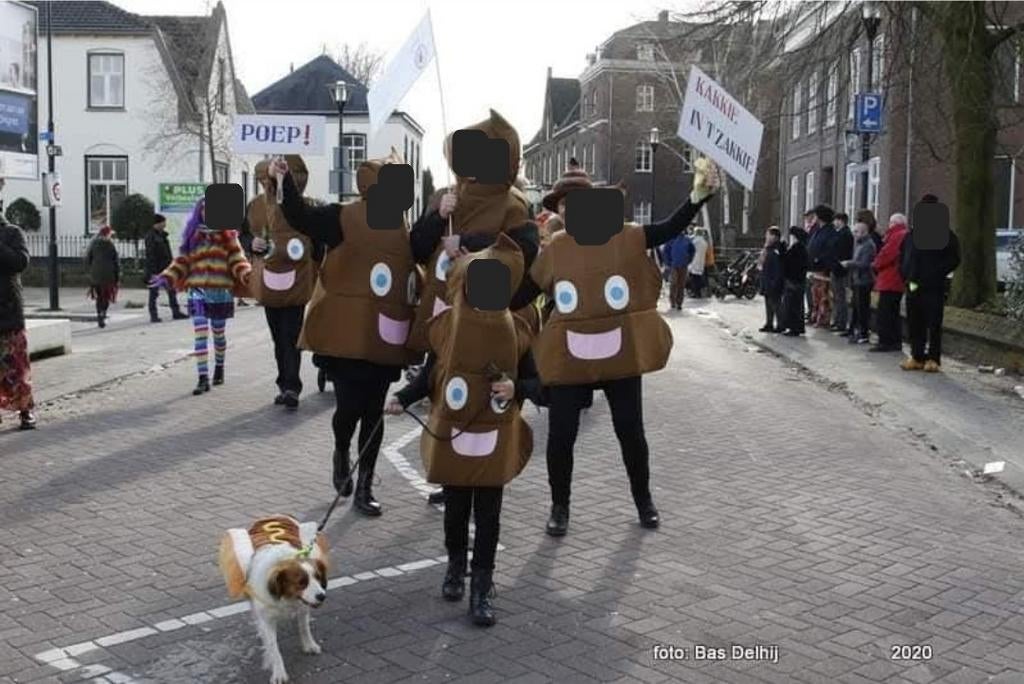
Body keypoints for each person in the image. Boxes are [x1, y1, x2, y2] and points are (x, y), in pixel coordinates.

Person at [516, 157, 718, 536]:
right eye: (561, 202)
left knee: (630, 430)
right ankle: (560, 506)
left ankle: (644, 500)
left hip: (619, 351)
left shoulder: (624, 235)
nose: (566, 207)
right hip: (569, 353)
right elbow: (524, 291)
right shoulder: (555, 248)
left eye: (574, 200)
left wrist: (697, 197)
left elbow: (666, 229)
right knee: (561, 435)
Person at [386, 236, 540, 627]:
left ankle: (482, 586)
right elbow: (430, 374)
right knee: (455, 509)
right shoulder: (447, 327)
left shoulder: (519, 332)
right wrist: (403, 398)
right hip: (454, 433)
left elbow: (544, 386)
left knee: (488, 513)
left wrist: (517, 388)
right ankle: (456, 565)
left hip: (495, 434)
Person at [273, 151, 419, 516]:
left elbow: (424, 250)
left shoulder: (403, 226)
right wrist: (285, 181)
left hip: (384, 334)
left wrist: (444, 215)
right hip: (346, 335)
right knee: (349, 409)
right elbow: (300, 216)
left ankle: (365, 484)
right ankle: (341, 452)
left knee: (374, 412)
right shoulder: (342, 217)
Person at [152, 198, 251, 395]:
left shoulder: (229, 237)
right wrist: (167, 276)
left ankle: (220, 367)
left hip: (220, 292)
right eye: (205, 210)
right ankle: (202, 378)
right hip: (197, 291)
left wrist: (247, 274)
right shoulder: (193, 237)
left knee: (218, 335)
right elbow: (181, 261)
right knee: (200, 335)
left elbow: (238, 260)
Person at [248, 156, 318, 411]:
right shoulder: (257, 206)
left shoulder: (305, 206)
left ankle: (292, 387)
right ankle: (284, 383)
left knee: (290, 336)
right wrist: (251, 245)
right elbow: (245, 233)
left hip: (296, 282)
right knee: (278, 337)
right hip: (270, 282)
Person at [899, 194, 961, 372]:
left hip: (933, 286)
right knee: (914, 321)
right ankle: (917, 355)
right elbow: (903, 256)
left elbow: (954, 258)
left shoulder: (946, 235)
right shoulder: (911, 235)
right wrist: (905, 275)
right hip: (913, 284)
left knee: (933, 323)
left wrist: (936, 274)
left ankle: (934, 358)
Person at [0, 204, 36, 430]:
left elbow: (21, 262)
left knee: (17, 366)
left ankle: (26, 410)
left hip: (8, 309)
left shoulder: (12, 233)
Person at [871, 213, 909, 352]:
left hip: (891, 278)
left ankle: (886, 341)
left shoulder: (897, 235)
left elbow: (887, 253)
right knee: (892, 311)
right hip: (896, 279)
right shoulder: (904, 234)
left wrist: (875, 264)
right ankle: (894, 340)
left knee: (885, 311)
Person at [145, 214, 186, 323]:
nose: (165, 224)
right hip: (156, 270)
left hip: (167, 268)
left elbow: (167, 252)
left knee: (172, 291)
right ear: (157, 223)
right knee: (153, 293)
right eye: (163, 222)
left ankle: (176, 312)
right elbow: (150, 255)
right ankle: (153, 315)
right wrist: (153, 271)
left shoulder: (163, 236)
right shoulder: (151, 237)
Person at [842, 221, 876, 344]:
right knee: (856, 307)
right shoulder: (859, 244)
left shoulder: (868, 245)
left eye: (856, 232)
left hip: (864, 280)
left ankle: (863, 333)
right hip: (857, 279)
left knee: (862, 308)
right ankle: (855, 330)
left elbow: (865, 264)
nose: (854, 234)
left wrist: (849, 263)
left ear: (864, 232)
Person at [806, 205, 837, 328]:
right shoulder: (819, 229)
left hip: (822, 268)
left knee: (823, 294)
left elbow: (829, 249)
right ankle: (815, 315)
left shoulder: (829, 231)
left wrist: (819, 258)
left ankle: (823, 318)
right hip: (815, 267)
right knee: (815, 293)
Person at [85, 226, 119, 329]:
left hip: (96, 276)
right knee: (107, 297)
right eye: (110, 234)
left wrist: (90, 272)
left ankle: (99, 313)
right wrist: (117, 277)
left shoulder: (93, 244)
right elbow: (116, 262)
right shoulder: (110, 245)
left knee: (99, 297)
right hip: (109, 276)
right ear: (107, 234)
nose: (111, 236)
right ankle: (103, 312)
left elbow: (88, 259)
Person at [779, 226, 809, 336]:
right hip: (799, 279)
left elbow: (786, 260)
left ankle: (793, 328)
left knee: (791, 304)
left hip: (793, 280)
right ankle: (798, 327)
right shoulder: (802, 248)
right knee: (798, 305)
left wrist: (782, 248)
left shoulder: (796, 248)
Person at [830, 212, 854, 334]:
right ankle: (838, 321)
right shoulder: (840, 233)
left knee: (840, 297)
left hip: (840, 270)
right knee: (837, 297)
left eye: (835, 220)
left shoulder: (845, 234)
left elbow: (841, 252)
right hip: (837, 268)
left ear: (841, 221)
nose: (834, 223)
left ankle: (841, 323)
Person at [759, 226, 784, 332]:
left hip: (773, 280)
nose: (766, 237)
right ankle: (769, 323)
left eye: (768, 235)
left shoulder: (777, 249)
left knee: (776, 304)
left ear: (774, 236)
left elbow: (778, 268)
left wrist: (775, 281)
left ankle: (781, 324)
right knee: (768, 304)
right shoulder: (768, 248)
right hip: (766, 279)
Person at [665, 229, 695, 310]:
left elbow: (692, 250)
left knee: (681, 285)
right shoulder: (671, 239)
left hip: (683, 265)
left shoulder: (687, 240)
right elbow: (666, 251)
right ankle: (672, 302)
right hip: (673, 265)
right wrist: (668, 262)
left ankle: (679, 303)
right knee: (674, 283)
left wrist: (689, 260)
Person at [802, 210, 817, 320]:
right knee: (809, 289)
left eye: (808, 218)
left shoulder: (815, 229)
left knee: (812, 289)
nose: (807, 220)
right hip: (809, 263)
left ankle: (813, 311)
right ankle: (811, 310)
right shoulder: (810, 229)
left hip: (813, 264)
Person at [688, 227, 708, 297]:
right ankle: (699, 292)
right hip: (701, 262)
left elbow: (689, 247)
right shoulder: (704, 242)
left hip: (693, 262)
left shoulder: (695, 241)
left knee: (693, 279)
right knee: (698, 278)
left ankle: (695, 292)